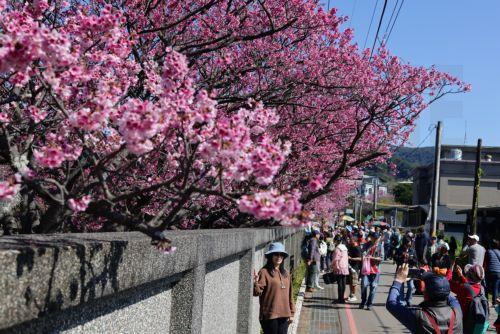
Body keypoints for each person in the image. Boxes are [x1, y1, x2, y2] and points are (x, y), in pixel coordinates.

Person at [386, 263, 463, 333]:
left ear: (426, 294)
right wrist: (437, 282)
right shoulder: (457, 312)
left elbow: (391, 304)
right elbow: (448, 296)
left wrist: (398, 280)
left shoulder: (419, 316)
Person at [254, 242, 295, 334]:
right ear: (271, 256)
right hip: (269, 315)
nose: (279, 257)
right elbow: (257, 293)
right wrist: (256, 282)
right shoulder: (264, 272)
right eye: (276, 254)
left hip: (284, 314)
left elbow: (290, 294)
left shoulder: (286, 273)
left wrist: (292, 312)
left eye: (281, 255)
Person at [446, 263, 489, 334]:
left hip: (464, 323)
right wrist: (461, 276)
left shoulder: (464, 287)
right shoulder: (482, 288)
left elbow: (447, 282)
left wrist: (450, 268)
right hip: (476, 322)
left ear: (469, 275)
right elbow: (470, 286)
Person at [359, 232, 384, 310]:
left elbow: (382, 258)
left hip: (375, 270)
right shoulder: (366, 245)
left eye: (377, 239)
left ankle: (369, 304)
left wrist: (373, 258)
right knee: (364, 286)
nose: (376, 240)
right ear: (371, 238)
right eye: (374, 238)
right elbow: (362, 253)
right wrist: (364, 256)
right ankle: (363, 301)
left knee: (373, 287)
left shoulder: (380, 247)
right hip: (366, 269)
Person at [394, 236, 417, 306]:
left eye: (410, 244)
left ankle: (408, 300)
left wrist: (411, 259)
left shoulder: (412, 250)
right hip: (401, 269)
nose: (408, 246)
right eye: (407, 244)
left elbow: (415, 261)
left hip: (409, 269)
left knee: (411, 286)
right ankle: (401, 301)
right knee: (401, 286)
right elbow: (395, 258)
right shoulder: (399, 249)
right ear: (404, 243)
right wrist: (402, 256)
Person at [332, 235, 349, 304]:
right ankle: (342, 298)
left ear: (336, 241)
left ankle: (340, 298)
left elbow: (335, 259)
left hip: (339, 266)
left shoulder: (337, 248)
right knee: (343, 283)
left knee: (339, 283)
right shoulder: (345, 248)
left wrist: (332, 266)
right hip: (345, 266)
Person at [347, 234, 363, 302]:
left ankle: (354, 295)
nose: (349, 240)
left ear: (354, 240)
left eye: (350, 240)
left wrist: (351, 258)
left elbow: (360, 258)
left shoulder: (357, 248)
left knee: (354, 283)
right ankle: (351, 294)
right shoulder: (351, 247)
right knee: (351, 282)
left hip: (355, 268)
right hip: (351, 267)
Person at [486, 239, 500, 306]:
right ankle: (495, 303)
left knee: (487, 286)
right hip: (498, 272)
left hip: (490, 271)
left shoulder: (489, 251)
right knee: (496, 287)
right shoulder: (499, 252)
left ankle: (486, 300)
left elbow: (487, 262)